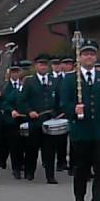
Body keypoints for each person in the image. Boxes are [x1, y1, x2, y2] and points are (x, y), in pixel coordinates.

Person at [58, 41, 100, 201]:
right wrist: (73, 110)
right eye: (85, 54)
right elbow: (63, 104)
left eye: (92, 54)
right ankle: (79, 197)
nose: (89, 57)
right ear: (80, 57)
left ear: (96, 56)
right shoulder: (70, 79)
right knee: (81, 168)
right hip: (81, 131)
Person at [19, 53, 59, 184]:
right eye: (41, 64)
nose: (43, 67)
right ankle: (30, 172)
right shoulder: (29, 81)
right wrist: (29, 111)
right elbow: (23, 101)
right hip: (35, 121)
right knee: (32, 148)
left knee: (50, 150)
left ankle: (50, 176)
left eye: (45, 65)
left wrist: (57, 111)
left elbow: (59, 99)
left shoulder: (54, 80)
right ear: (36, 66)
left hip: (49, 120)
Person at [0, 64, 26, 180]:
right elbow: (2, 102)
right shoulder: (5, 86)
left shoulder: (24, 84)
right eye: (13, 72)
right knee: (14, 145)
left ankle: (23, 164)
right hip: (11, 119)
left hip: (24, 117)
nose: (15, 74)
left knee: (24, 144)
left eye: (17, 71)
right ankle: (16, 168)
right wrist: (11, 110)